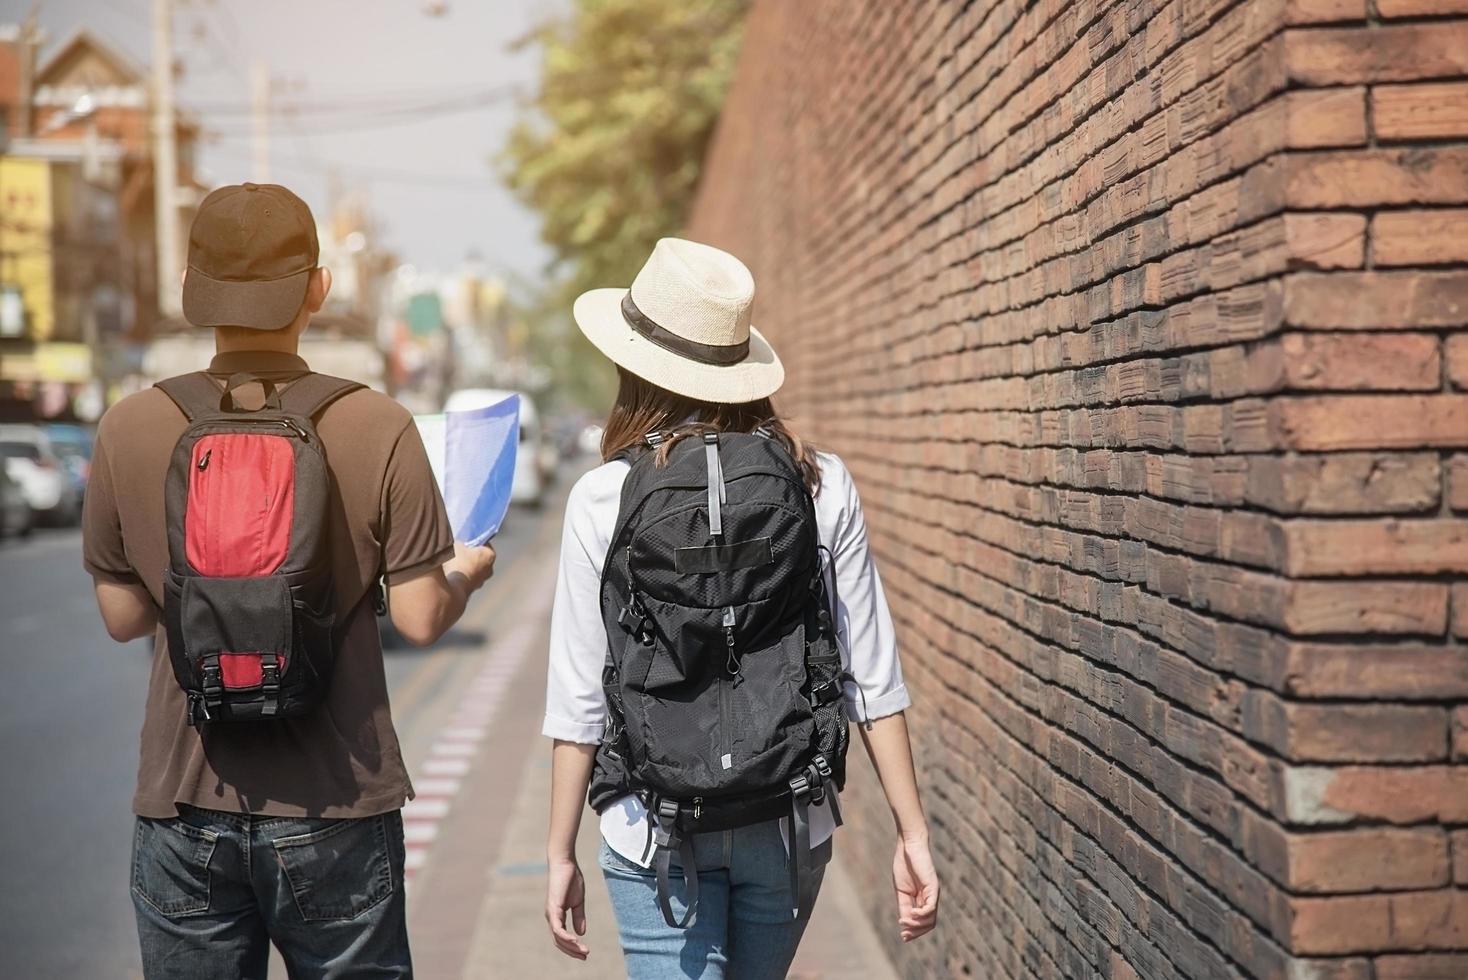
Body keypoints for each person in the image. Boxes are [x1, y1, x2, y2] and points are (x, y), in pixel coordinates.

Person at [82, 182, 497, 979]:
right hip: (339, 803)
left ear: (191, 293)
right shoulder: (379, 424)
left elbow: (123, 616)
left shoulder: (129, 428)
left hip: (184, 802)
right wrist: (467, 573)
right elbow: (417, 617)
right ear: (318, 287)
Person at [542, 238, 940, 978]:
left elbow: (577, 700)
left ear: (634, 367)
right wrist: (911, 832)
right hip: (789, 820)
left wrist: (559, 850)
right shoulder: (820, 484)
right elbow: (871, 679)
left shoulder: (602, 498)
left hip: (650, 828)